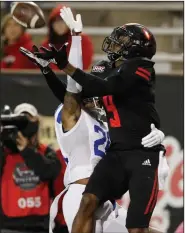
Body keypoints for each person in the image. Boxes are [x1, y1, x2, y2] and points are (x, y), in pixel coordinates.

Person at [19, 8, 167, 233]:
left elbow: (105, 89)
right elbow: (74, 92)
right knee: (88, 202)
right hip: (86, 184)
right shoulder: (75, 113)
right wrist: (51, 69)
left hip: (127, 169)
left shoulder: (134, 74)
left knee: (140, 229)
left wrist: (158, 134)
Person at [0, 103, 61, 233]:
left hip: (39, 225)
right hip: (9, 226)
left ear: (37, 123)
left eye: (28, 121)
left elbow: (49, 172)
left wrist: (26, 150)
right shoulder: (5, 153)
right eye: (21, 121)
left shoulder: (46, 152)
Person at [41, 4, 94, 70]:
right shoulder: (46, 45)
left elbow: (84, 66)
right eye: (56, 21)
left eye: (63, 21)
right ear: (51, 24)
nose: (60, 25)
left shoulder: (82, 41)